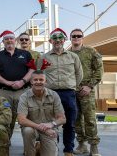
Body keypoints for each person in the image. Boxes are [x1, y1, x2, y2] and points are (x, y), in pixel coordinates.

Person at [41, 28, 83, 156]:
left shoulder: (73, 56)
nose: (58, 40)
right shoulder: (43, 57)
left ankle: (68, 150)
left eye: (60, 38)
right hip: (50, 94)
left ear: (64, 40)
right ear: (50, 41)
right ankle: (52, 149)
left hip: (68, 94)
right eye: (55, 38)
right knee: (51, 123)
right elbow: (39, 74)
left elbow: (79, 74)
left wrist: (72, 86)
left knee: (69, 123)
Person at [0, 30, 33, 139]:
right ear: (3, 42)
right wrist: (6, 82)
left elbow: (32, 69)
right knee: (5, 118)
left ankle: (28, 146)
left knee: (25, 118)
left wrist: (22, 81)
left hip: (22, 91)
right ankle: (5, 143)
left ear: (15, 40)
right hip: (3, 92)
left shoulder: (25, 54)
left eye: (11, 38)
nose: (9, 40)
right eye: (6, 39)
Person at [69, 28, 103, 155]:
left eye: (79, 36)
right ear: (70, 38)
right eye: (74, 36)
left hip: (87, 90)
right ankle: (82, 145)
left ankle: (94, 146)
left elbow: (99, 69)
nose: (76, 38)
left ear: (82, 38)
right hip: (72, 91)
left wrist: (90, 86)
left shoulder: (91, 51)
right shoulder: (67, 54)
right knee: (76, 119)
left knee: (89, 119)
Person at [17, 70, 66, 156]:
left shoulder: (54, 95)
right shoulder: (24, 97)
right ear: (31, 81)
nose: (38, 82)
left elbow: (62, 119)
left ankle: (40, 147)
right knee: (28, 131)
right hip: (32, 129)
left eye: (41, 80)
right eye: (35, 80)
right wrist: (42, 128)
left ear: (45, 81)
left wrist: (52, 124)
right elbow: (21, 120)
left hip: (50, 130)